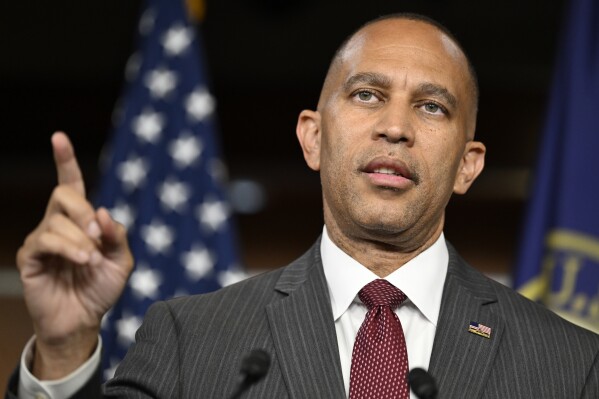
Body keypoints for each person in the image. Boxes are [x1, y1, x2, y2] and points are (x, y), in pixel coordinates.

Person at [7, 13, 599, 399]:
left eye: (432, 107)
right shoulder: (191, 339)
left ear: (468, 165)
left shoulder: (570, 366)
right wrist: (63, 347)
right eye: (367, 95)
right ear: (313, 137)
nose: (395, 127)